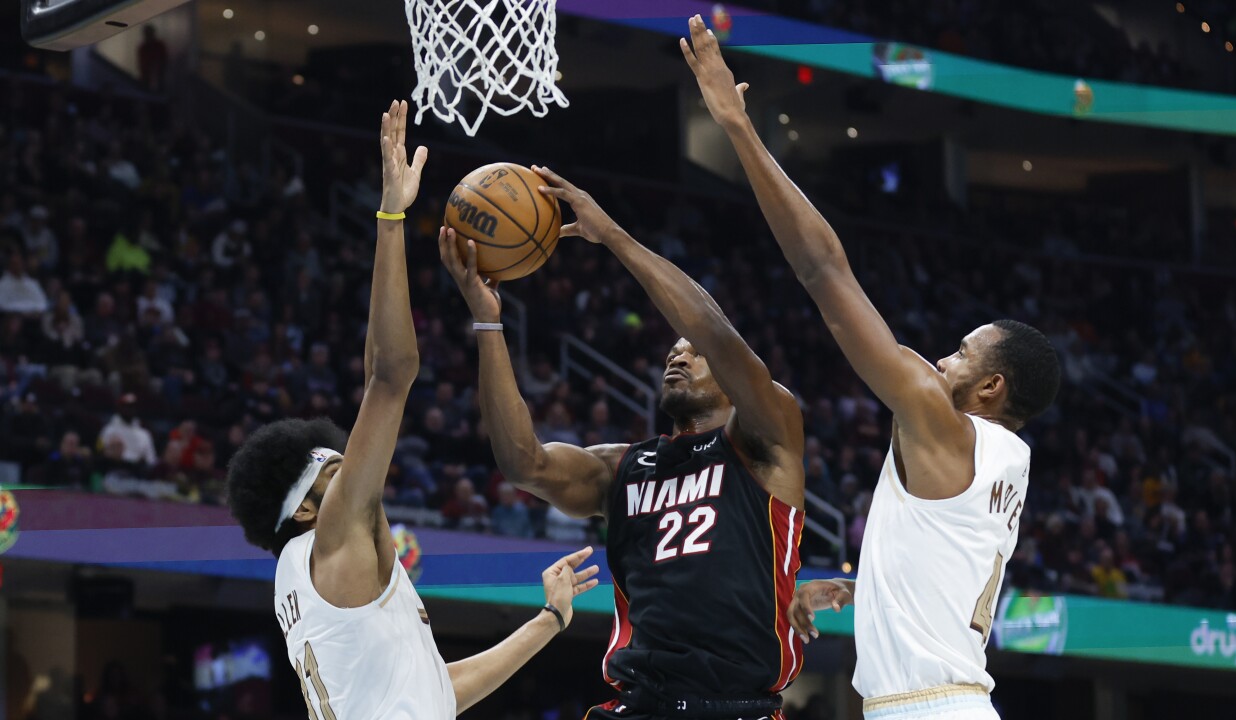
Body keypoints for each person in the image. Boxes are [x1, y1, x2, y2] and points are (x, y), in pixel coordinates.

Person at [680, 15, 1061, 720]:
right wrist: (875, 591)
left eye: (960, 353)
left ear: (991, 385)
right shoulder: (1005, 460)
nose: (939, 359)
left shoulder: (946, 429)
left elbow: (824, 272)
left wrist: (738, 127)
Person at [226, 101, 598, 720]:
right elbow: (390, 375)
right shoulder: (334, 538)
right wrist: (392, 217)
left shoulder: (319, 570)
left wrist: (551, 621)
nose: (353, 462)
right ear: (312, 507)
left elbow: (434, 691)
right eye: (333, 470)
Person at [440, 166, 807, 720]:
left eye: (695, 352)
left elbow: (712, 330)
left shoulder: (765, 439)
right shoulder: (626, 468)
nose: (677, 356)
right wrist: (488, 324)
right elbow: (524, 464)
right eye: (671, 352)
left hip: (737, 706)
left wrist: (612, 235)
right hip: (639, 703)